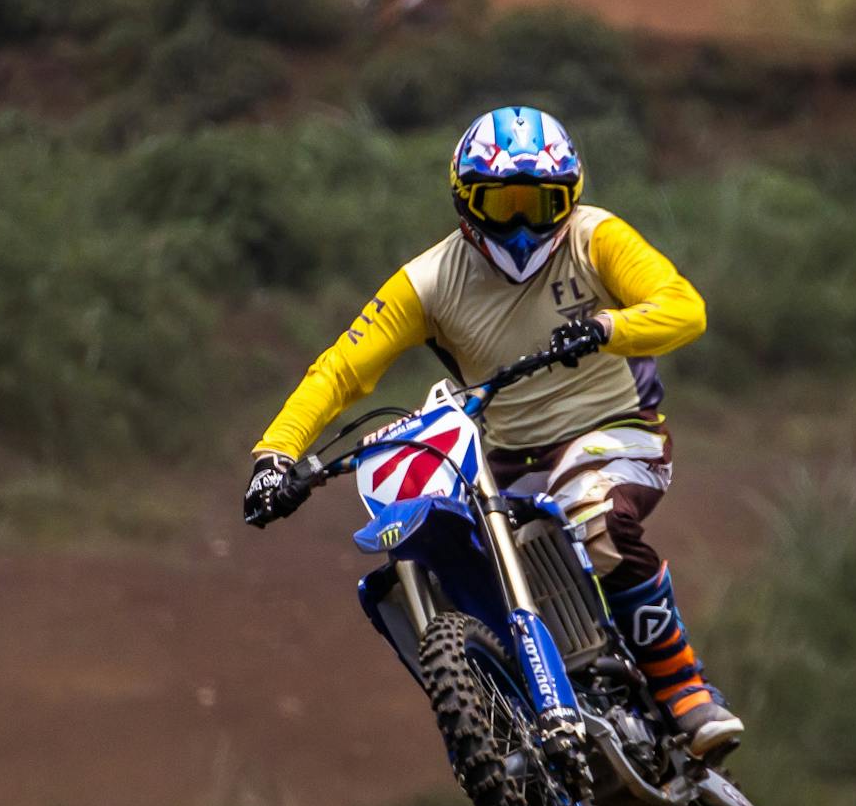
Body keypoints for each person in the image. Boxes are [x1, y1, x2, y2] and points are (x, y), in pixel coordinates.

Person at [243, 106, 744, 756]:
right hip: (509, 456)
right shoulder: (427, 282)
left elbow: (684, 309)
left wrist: (608, 328)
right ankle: (499, 742)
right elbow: (340, 369)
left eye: (540, 204)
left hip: (620, 431)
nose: (521, 225)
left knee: (591, 508)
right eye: (500, 204)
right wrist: (277, 456)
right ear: (465, 201)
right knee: (432, 549)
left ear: (570, 199)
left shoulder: (599, 239)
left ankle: (685, 691)